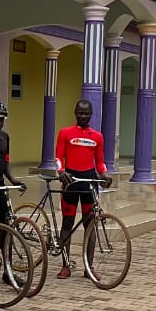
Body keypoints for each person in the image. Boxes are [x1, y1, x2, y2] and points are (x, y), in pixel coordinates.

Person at [53, 98, 111, 279]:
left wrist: (105, 174)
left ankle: (89, 266)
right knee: (67, 224)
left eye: (86, 113)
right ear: (75, 113)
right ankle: (65, 265)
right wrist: (60, 171)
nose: (83, 116)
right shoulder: (65, 133)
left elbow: (100, 163)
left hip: (89, 183)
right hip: (71, 181)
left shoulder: (98, 137)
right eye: (80, 113)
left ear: (91, 115)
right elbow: (58, 158)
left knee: (90, 225)